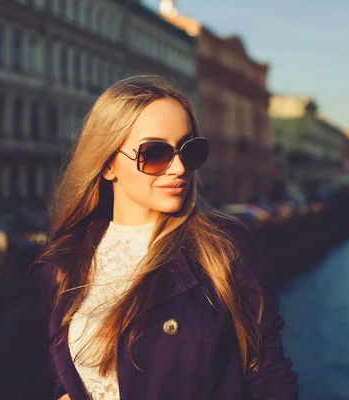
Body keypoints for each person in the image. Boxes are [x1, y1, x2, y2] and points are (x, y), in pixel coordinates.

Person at [33, 75, 298, 400]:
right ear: (108, 164)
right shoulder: (65, 261)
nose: (179, 168)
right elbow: (67, 378)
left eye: (190, 150)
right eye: (156, 153)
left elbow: (268, 378)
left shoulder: (221, 248)